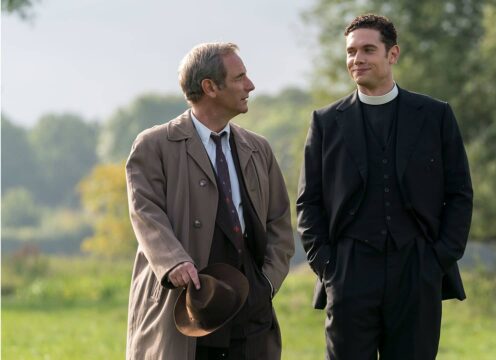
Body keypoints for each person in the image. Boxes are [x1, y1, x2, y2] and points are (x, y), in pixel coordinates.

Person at [297, 14, 473, 359]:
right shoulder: (325, 122)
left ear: (392, 54)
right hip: (348, 272)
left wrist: (437, 259)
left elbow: (459, 194)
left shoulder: (435, 115)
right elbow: (309, 202)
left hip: (417, 269)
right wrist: (328, 267)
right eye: (350, 52)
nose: (356, 59)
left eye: (367, 50)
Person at [125, 42, 294, 360]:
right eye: (239, 77)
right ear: (209, 87)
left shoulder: (259, 149)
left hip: (251, 312)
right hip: (186, 306)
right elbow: (145, 213)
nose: (250, 85)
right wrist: (173, 260)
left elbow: (280, 224)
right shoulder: (154, 145)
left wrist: (267, 284)